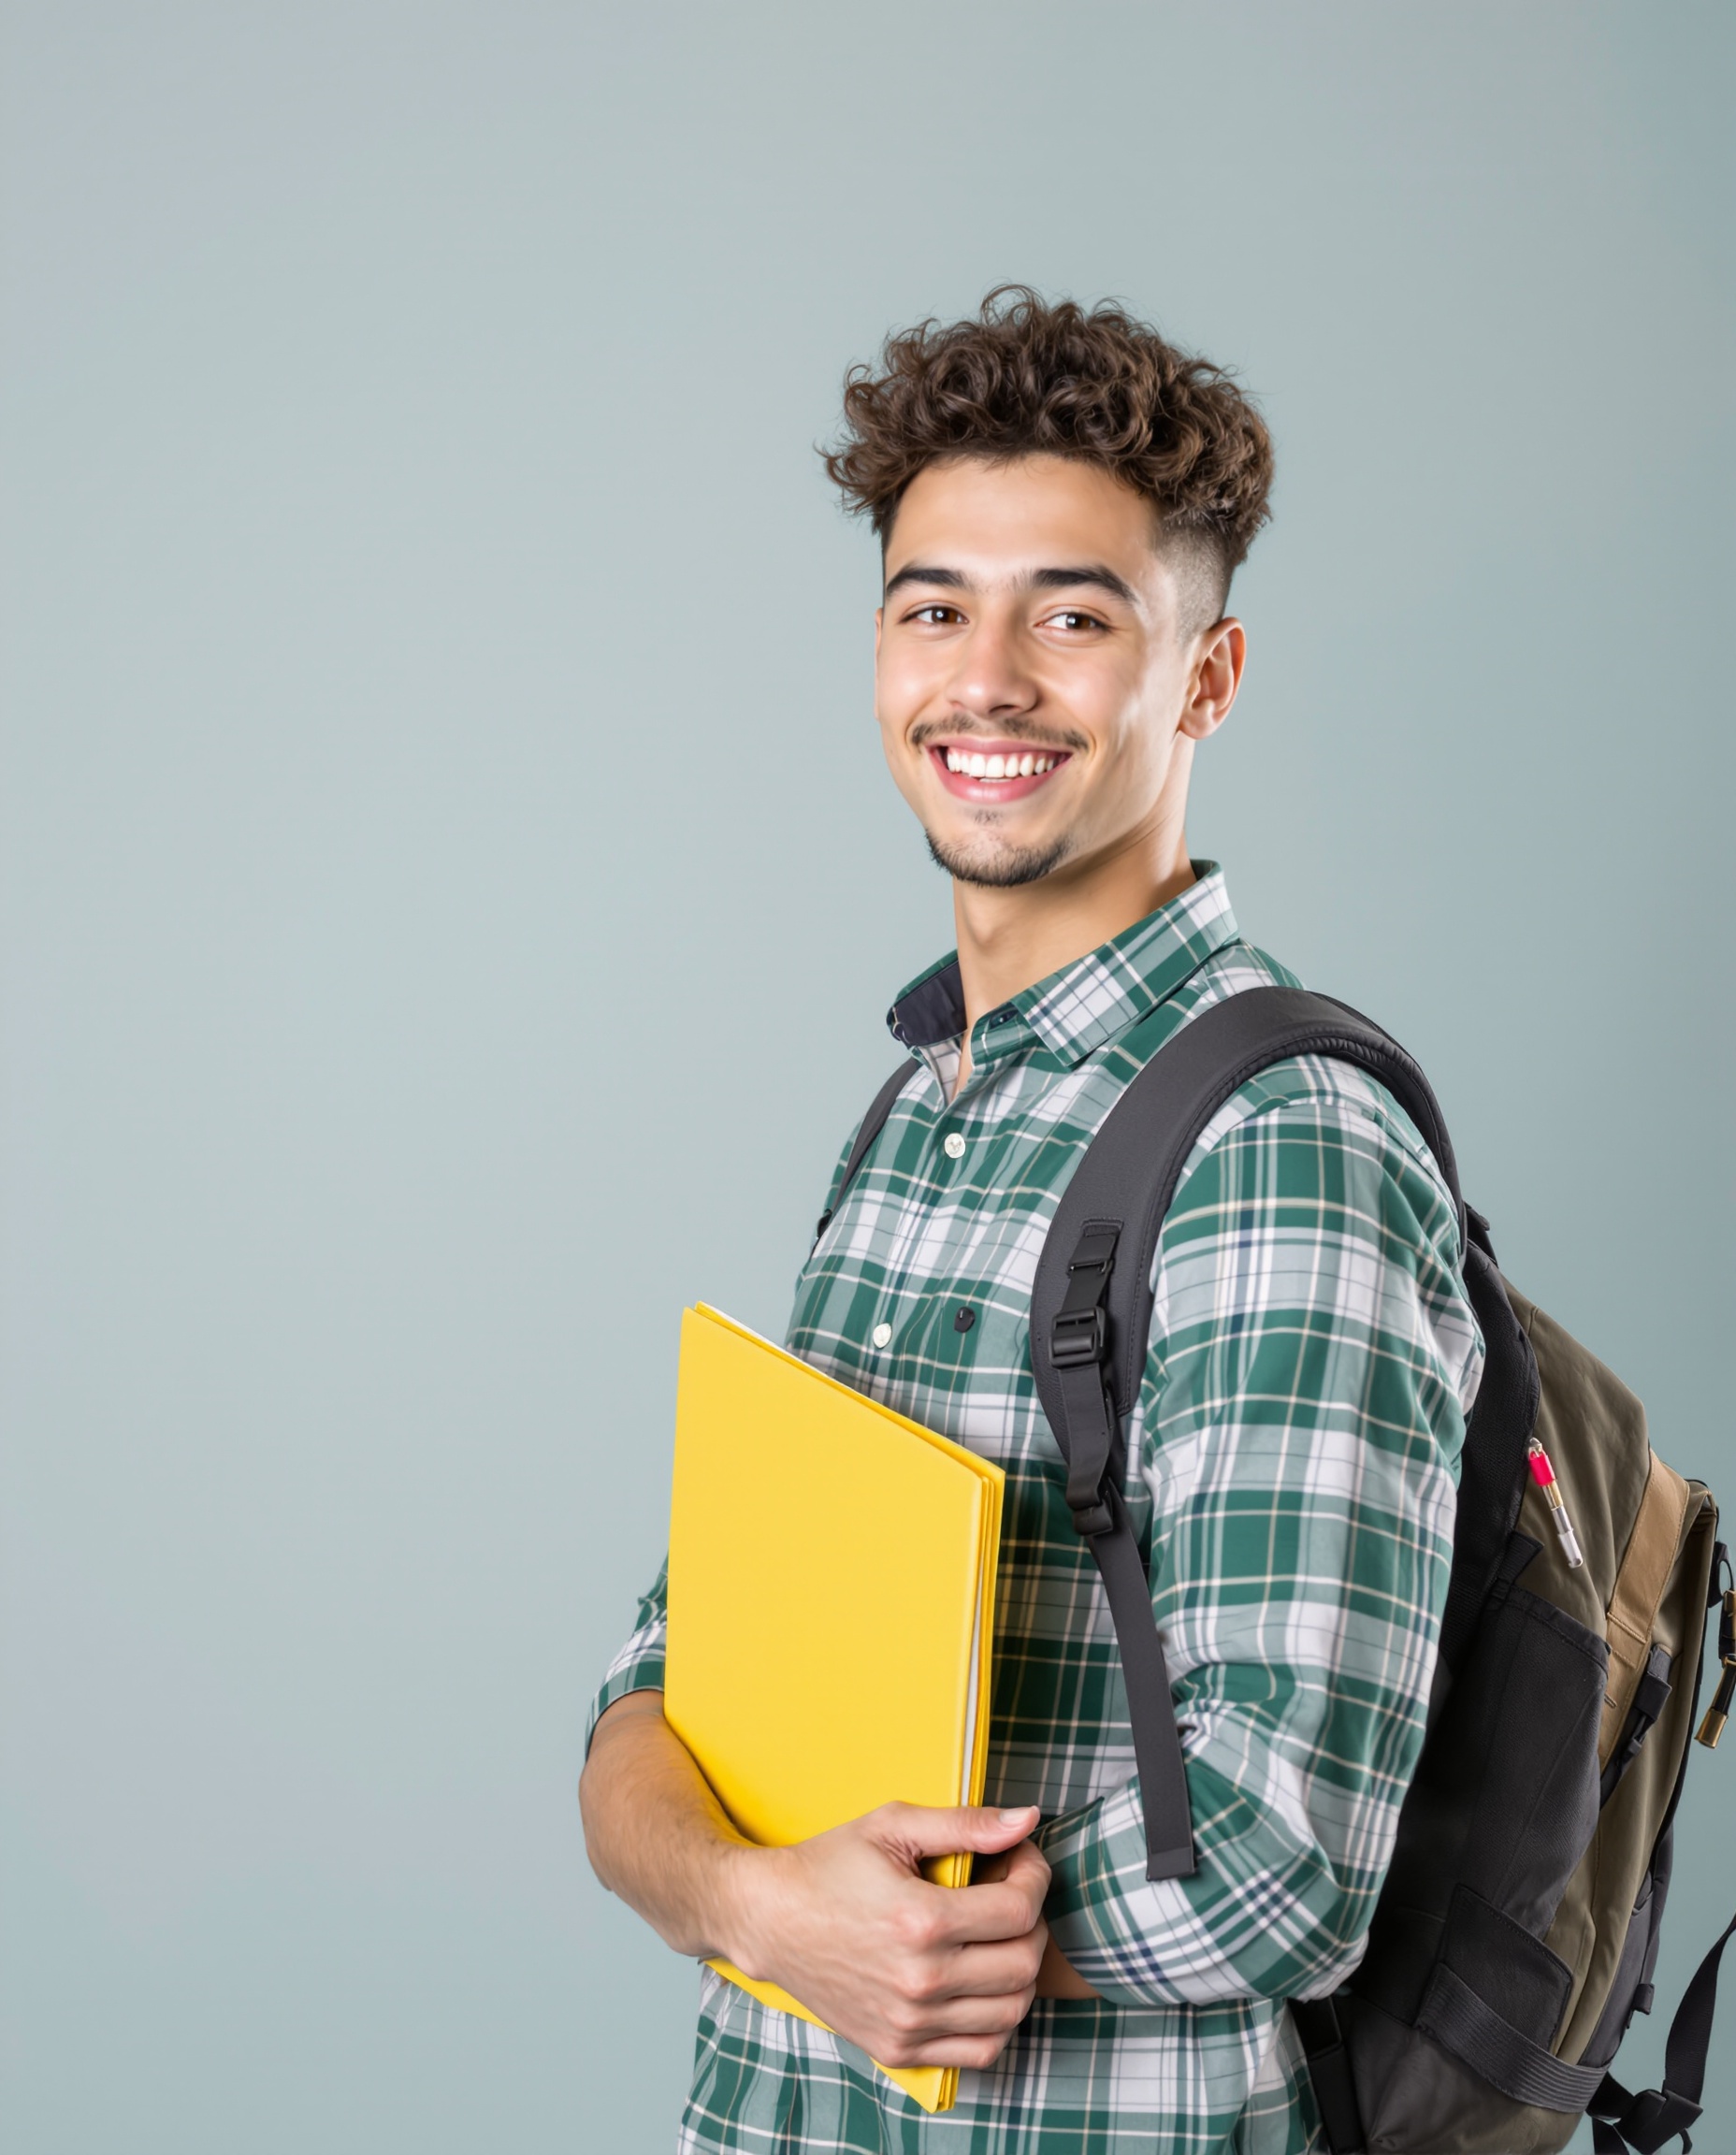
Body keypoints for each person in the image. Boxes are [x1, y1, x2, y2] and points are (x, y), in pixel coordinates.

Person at [579, 288, 1483, 2154]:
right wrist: (756, 1906)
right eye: (933, 607)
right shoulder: (918, 1114)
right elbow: (664, 1690)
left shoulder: (1275, 1143)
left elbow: (1271, 1866)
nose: (983, 677)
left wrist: (862, 1925)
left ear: (1205, 677)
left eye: (1072, 614)